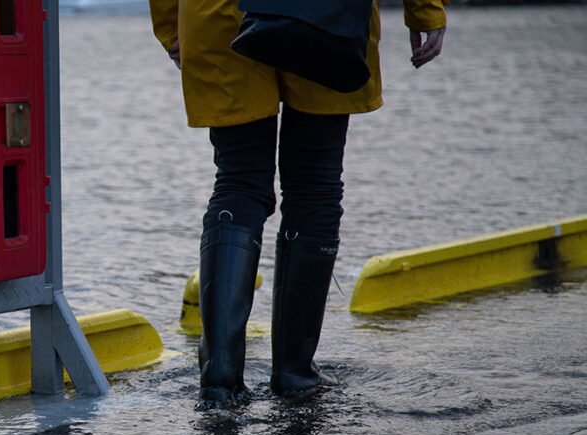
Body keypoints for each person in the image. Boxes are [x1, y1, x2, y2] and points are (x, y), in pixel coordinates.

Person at [149, 0, 448, 405]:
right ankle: (294, 374)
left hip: (218, 12)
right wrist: (425, 11)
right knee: (314, 186)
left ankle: (220, 374)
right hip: (326, 14)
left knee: (238, 183)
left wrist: (172, 25)